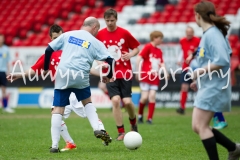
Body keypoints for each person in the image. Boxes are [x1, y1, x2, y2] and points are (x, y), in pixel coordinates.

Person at [7, 24, 109, 151]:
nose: (57, 40)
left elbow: (86, 69)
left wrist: (100, 73)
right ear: (50, 38)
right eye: (55, 38)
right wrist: (19, 75)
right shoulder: (50, 55)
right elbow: (35, 69)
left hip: (67, 89)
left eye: (59, 37)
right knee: (59, 113)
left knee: (75, 112)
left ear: (64, 36)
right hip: (68, 88)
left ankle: (101, 132)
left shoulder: (71, 50)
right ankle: (71, 142)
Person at [43, 17, 114, 153]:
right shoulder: (95, 41)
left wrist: (46, 67)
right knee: (87, 102)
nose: (97, 32)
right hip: (81, 74)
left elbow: (48, 50)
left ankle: (54, 145)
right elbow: (110, 60)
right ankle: (97, 128)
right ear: (94, 27)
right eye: (97, 30)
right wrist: (109, 77)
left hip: (63, 74)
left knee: (58, 109)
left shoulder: (68, 34)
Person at [191, 1, 240, 159]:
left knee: (200, 126)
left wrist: (199, 72)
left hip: (215, 86)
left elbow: (222, 60)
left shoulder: (212, 34)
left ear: (198, 15)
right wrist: (199, 79)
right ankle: (234, 148)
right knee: (197, 126)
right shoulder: (210, 33)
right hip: (209, 85)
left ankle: (233, 149)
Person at [96, 8, 140, 140]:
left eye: (112, 20)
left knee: (127, 101)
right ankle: (121, 132)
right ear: (104, 20)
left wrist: (130, 54)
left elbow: (136, 48)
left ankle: (133, 122)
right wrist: (99, 63)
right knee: (115, 100)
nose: (110, 23)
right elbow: (95, 52)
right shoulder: (100, 35)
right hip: (110, 74)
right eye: (107, 20)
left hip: (125, 72)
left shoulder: (124, 33)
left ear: (116, 19)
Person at [136, 31, 168, 124]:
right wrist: (138, 72)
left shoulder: (159, 51)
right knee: (144, 97)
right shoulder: (148, 47)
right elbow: (139, 57)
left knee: (152, 96)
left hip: (155, 77)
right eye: (160, 38)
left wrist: (165, 72)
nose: (161, 40)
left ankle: (149, 118)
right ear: (155, 38)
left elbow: (161, 63)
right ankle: (140, 115)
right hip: (146, 76)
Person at [176, 26, 200, 115]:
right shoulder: (182, 41)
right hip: (186, 67)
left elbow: (201, 52)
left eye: (190, 32)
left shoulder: (197, 40)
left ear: (193, 32)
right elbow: (182, 51)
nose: (189, 34)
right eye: (187, 32)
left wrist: (194, 54)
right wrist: (179, 59)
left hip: (196, 68)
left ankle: (200, 106)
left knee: (198, 87)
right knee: (184, 87)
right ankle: (182, 107)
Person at [0, 34, 14, 113]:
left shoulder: (6, 49)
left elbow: (8, 61)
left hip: (2, 71)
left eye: (2, 38)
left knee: (4, 90)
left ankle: (5, 107)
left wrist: (9, 71)